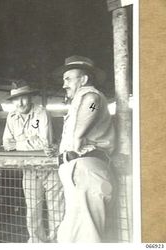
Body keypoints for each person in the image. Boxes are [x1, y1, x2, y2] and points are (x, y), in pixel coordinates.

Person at [52, 55, 116, 242]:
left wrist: (79, 136)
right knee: (72, 235)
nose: (64, 84)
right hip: (80, 171)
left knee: (87, 237)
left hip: (87, 169)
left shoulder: (92, 96)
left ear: (84, 79)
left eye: (68, 78)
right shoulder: (80, 99)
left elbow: (92, 106)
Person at [2, 81, 62, 243]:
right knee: (33, 209)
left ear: (30, 98)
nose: (20, 103)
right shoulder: (12, 116)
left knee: (55, 208)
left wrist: (19, 145)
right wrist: (31, 142)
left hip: (50, 168)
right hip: (28, 169)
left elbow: (46, 142)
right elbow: (7, 143)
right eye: (16, 99)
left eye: (23, 98)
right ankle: (36, 242)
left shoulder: (41, 113)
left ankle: (57, 241)